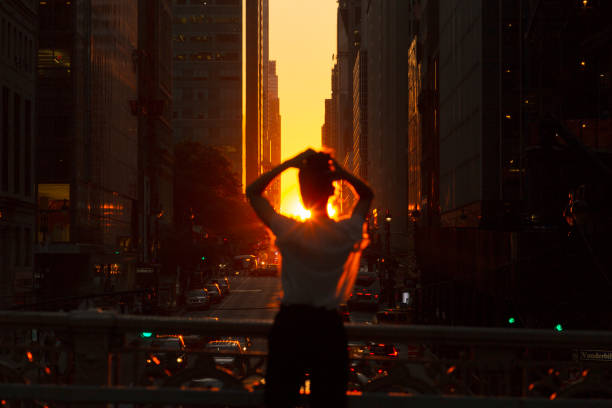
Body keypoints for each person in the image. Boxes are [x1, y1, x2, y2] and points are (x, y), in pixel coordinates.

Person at [246, 148, 374, 407]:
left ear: (303, 194)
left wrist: (288, 164)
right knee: (328, 400)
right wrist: (339, 173)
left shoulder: (289, 230)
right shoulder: (346, 232)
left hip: (291, 324)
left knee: (281, 398)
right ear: (332, 190)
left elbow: (253, 192)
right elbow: (366, 195)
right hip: (328, 326)